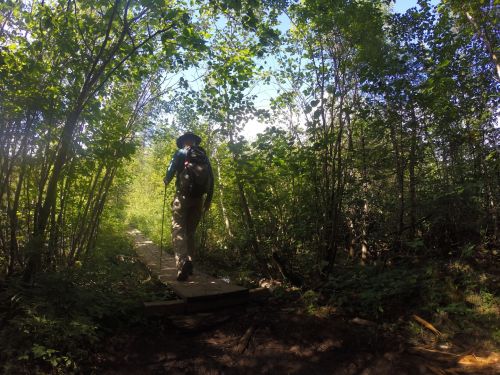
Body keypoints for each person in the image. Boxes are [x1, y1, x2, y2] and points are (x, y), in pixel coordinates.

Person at [164, 132, 214, 281]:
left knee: (178, 229)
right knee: (190, 233)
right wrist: (208, 200)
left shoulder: (181, 152)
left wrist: (167, 179)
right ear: (195, 141)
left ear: (183, 141)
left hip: (182, 197)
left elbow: (171, 168)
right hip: (199, 200)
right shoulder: (203, 156)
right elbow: (211, 177)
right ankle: (190, 262)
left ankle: (182, 263)